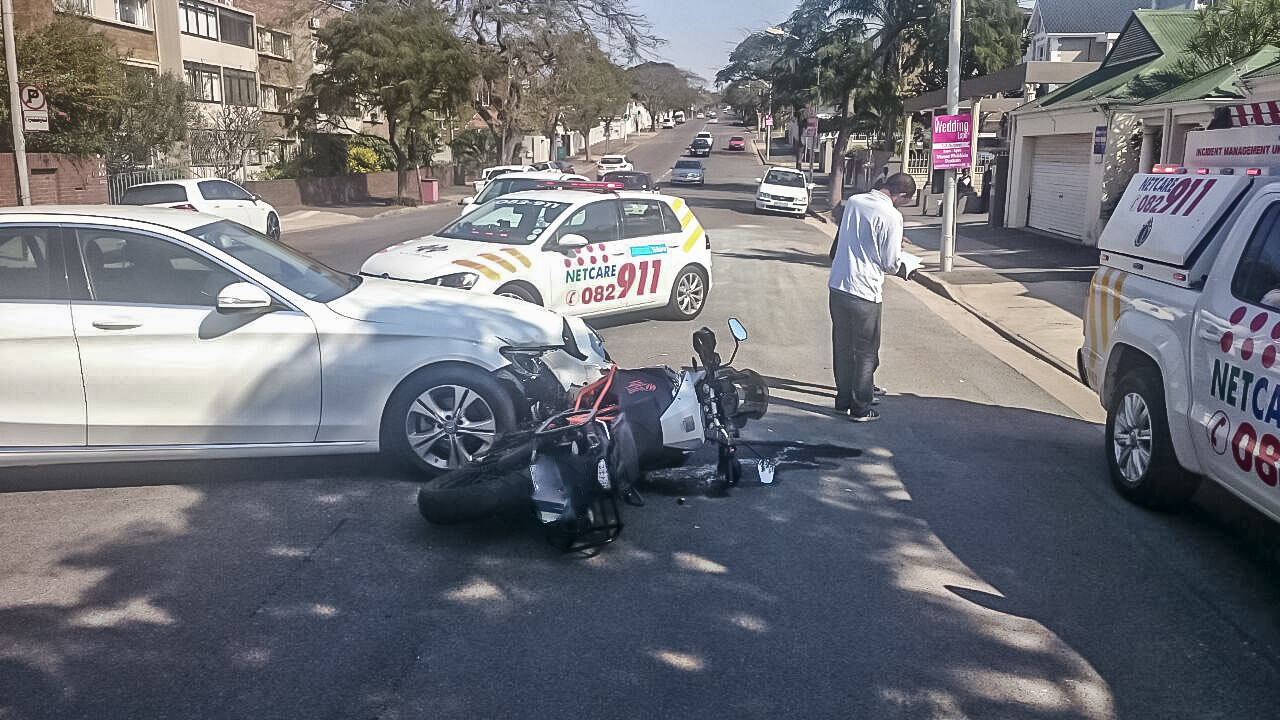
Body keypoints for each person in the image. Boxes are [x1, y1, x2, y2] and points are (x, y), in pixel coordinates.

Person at [827, 172, 918, 422]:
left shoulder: (855, 201)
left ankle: (842, 400)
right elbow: (889, 263)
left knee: (843, 347)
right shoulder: (892, 216)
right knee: (866, 351)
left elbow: (857, 237)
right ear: (901, 195)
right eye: (906, 200)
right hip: (865, 292)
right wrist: (903, 259)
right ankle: (860, 407)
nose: (903, 205)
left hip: (838, 286)